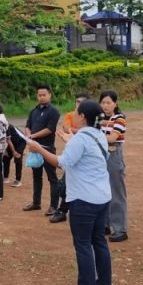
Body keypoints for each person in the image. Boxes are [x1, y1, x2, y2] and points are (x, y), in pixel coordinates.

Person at [27, 100, 112, 285]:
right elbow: (83, 154)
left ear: (82, 116)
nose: (73, 113)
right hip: (102, 198)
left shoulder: (80, 139)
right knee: (99, 242)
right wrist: (70, 139)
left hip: (84, 199)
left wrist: (39, 149)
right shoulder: (98, 134)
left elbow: (61, 163)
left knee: (83, 244)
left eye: (75, 111)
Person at [51, 93, 90, 224]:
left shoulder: (91, 118)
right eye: (77, 101)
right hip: (73, 155)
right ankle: (62, 210)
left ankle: (67, 211)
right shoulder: (70, 115)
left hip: (87, 157)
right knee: (65, 184)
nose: (79, 104)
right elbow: (67, 129)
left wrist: (76, 131)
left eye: (82, 102)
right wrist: (82, 130)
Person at [22, 85, 61, 215]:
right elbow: (28, 125)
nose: (42, 97)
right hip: (34, 149)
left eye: (44, 95)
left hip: (47, 149)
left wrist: (32, 136)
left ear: (50, 95)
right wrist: (28, 134)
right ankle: (36, 203)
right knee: (36, 176)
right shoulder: (34, 111)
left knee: (52, 178)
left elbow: (49, 129)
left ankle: (54, 206)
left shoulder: (54, 111)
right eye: (39, 95)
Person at [100, 90, 128, 242]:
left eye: (109, 103)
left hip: (114, 156)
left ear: (115, 104)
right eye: (103, 103)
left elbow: (112, 138)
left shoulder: (120, 119)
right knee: (102, 191)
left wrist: (95, 135)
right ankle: (105, 224)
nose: (106, 106)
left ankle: (120, 229)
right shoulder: (99, 118)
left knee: (116, 193)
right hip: (101, 156)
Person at [3, 123, 25, 188]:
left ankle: (18, 180)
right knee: (5, 158)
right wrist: (5, 150)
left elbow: (8, 140)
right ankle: (5, 177)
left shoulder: (6, 126)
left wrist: (14, 152)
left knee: (17, 159)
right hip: (12, 142)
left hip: (20, 142)